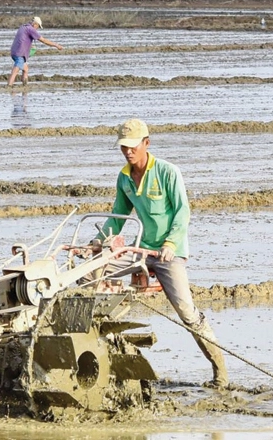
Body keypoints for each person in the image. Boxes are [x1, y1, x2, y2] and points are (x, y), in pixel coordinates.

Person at [96, 118, 229, 388]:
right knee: (94, 270)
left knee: (186, 311)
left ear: (147, 143)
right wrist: (98, 242)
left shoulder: (168, 173)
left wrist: (170, 245)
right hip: (140, 250)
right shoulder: (124, 177)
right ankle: (101, 340)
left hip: (170, 252)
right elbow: (118, 216)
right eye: (123, 147)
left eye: (133, 146)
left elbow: (182, 212)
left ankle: (220, 370)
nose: (128, 152)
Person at [7, 16, 63, 86]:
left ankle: (24, 86)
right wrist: (56, 45)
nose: (37, 28)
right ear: (35, 24)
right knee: (15, 71)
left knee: (26, 69)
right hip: (20, 53)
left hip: (14, 51)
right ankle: (9, 86)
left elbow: (23, 39)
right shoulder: (31, 29)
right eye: (38, 26)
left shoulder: (23, 27)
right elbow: (44, 40)